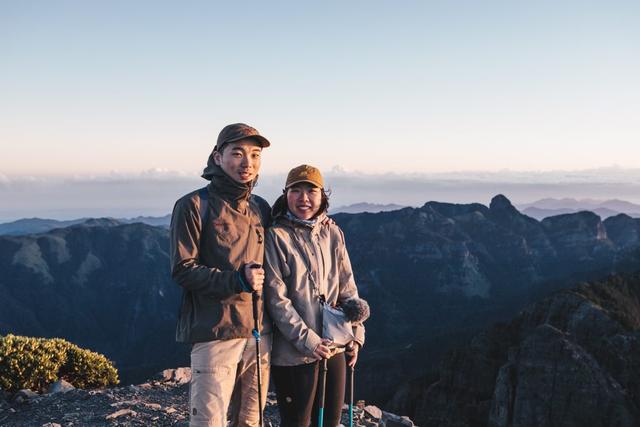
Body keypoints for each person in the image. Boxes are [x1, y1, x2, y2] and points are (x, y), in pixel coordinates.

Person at [170, 123, 272, 427]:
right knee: (209, 422)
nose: (247, 163)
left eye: (255, 155)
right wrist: (236, 281)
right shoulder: (193, 205)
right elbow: (182, 269)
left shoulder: (261, 208)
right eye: (237, 153)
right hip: (216, 332)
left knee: (250, 421)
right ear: (217, 156)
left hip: (259, 332)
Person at [264, 164, 366, 427]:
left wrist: (355, 335)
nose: (304, 198)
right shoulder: (276, 236)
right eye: (295, 190)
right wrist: (308, 341)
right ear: (285, 194)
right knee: (297, 422)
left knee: (331, 421)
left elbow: (348, 290)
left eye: (311, 190)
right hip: (293, 352)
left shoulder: (333, 232)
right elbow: (277, 299)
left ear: (323, 196)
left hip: (334, 347)